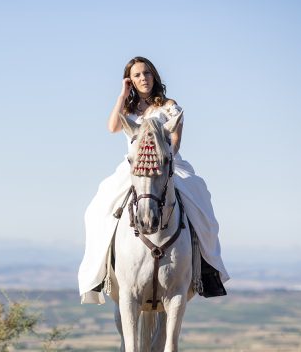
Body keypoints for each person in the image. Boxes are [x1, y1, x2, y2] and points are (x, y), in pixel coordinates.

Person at [78, 57, 228, 304]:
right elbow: (112, 127)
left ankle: (207, 269)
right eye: (136, 75)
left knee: (201, 202)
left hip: (167, 165)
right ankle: (99, 273)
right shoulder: (128, 109)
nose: (143, 78)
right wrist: (122, 95)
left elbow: (176, 142)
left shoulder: (169, 106)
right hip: (134, 168)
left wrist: (161, 164)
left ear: (154, 75)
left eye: (146, 73)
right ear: (131, 81)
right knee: (96, 211)